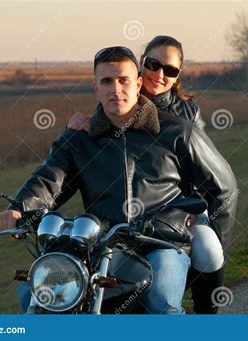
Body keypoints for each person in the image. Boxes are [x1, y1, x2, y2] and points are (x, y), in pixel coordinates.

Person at [0, 46, 237, 314]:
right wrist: (18, 208)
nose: (116, 89)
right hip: (102, 248)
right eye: (107, 81)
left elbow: (223, 187)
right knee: (37, 293)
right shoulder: (79, 139)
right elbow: (48, 180)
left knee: (161, 301)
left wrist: (217, 247)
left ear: (138, 84)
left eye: (123, 80)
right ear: (96, 87)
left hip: (164, 243)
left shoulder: (177, 132)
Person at [67, 36, 227, 314]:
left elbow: (206, 172)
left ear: (177, 76)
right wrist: (78, 126)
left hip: (183, 208)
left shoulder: (187, 116)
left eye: (170, 70)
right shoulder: (121, 95)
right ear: (140, 67)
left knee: (210, 249)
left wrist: (193, 210)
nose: (159, 74)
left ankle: (206, 316)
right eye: (152, 64)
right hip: (130, 218)